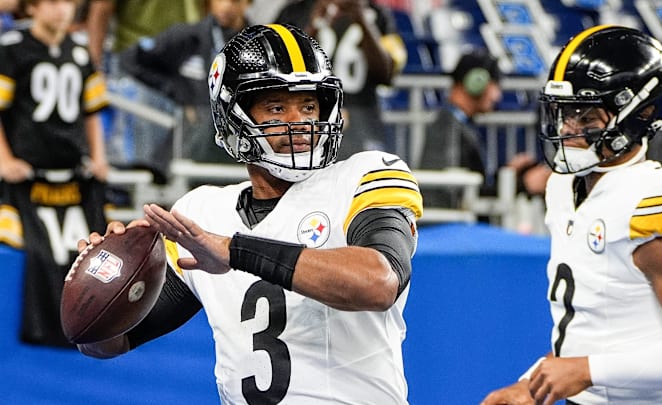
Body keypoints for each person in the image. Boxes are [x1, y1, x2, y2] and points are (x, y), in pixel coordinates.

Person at [76, 24, 423, 404]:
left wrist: (236, 251)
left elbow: (378, 283)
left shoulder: (367, 174)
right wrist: (101, 281)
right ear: (233, 117)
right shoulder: (204, 212)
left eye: (308, 105)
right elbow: (108, 343)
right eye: (277, 108)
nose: (301, 123)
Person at [480, 25, 662, 405]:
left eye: (586, 118)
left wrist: (588, 371)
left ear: (639, 115)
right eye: (564, 114)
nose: (568, 131)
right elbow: (595, 330)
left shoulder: (653, 198)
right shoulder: (565, 186)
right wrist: (530, 385)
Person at [0, 0, 110, 347]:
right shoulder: (12, 50)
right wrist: (4, 160)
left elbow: (92, 110)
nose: (61, 9)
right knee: (34, 250)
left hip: (73, 175)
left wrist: (98, 157)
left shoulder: (78, 51)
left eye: (67, 2)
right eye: (51, 1)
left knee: (83, 251)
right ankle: (36, 328)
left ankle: (87, 325)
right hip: (28, 176)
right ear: (31, 8)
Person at [119, 0, 252, 163]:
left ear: (248, 3)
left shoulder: (258, 45)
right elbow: (131, 60)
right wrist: (175, 90)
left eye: (234, 1)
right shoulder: (187, 36)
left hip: (238, 140)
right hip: (189, 140)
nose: (225, 6)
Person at [417, 49, 550, 209]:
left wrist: (507, 175)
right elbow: (452, 194)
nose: (497, 96)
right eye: (495, 86)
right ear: (476, 81)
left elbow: (470, 186)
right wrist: (522, 184)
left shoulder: (456, 124)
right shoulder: (448, 128)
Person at [85, 0, 205, 175]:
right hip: (137, 61)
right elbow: (102, 7)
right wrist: (93, 70)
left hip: (188, 61)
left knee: (185, 157)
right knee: (139, 164)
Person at [275, 0, 407, 159]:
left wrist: (362, 20)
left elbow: (387, 74)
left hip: (361, 121)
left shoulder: (380, 15)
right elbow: (277, 70)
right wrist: (314, 24)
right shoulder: (294, 12)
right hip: (305, 119)